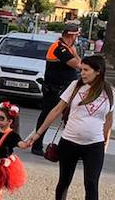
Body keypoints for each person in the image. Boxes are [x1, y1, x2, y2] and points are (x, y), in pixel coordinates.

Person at [23, 55, 115, 200]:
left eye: (86, 70)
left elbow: (108, 119)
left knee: (91, 183)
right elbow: (57, 110)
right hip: (70, 141)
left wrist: (106, 142)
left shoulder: (110, 92)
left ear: (98, 71)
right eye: (81, 69)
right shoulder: (75, 87)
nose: (82, 73)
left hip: (94, 145)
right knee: (65, 180)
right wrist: (38, 134)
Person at [32, 22, 82, 155]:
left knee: (71, 118)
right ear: (72, 36)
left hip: (64, 89)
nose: (77, 38)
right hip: (55, 89)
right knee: (47, 116)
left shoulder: (67, 48)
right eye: (76, 35)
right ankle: (37, 146)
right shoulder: (60, 48)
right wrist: (76, 54)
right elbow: (78, 65)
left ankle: (72, 149)